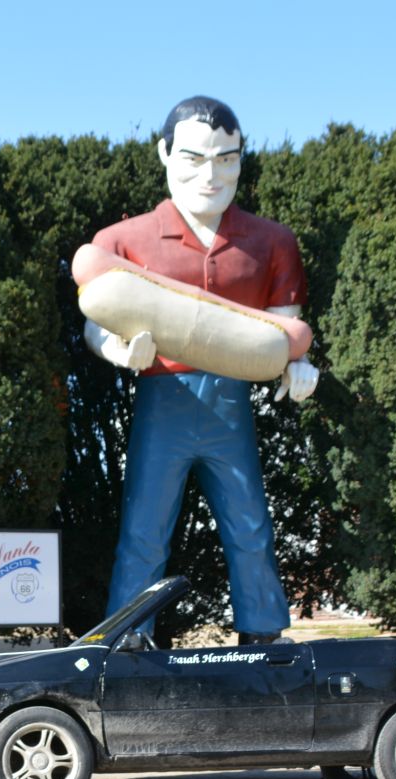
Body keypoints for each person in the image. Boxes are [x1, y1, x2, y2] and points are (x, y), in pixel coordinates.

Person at [71, 95, 318, 644]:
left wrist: (296, 366)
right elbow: (97, 317)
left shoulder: (272, 242)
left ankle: (264, 636)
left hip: (231, 401)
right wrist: (117, 351)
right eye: (193, 159)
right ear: (164, 154)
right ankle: (127, 641)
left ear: (240, 158)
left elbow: (284, 331)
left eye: (226, 159)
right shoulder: (122, 240)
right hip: (164, 398)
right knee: (143, 530)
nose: (211, 176)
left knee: (250, 524)